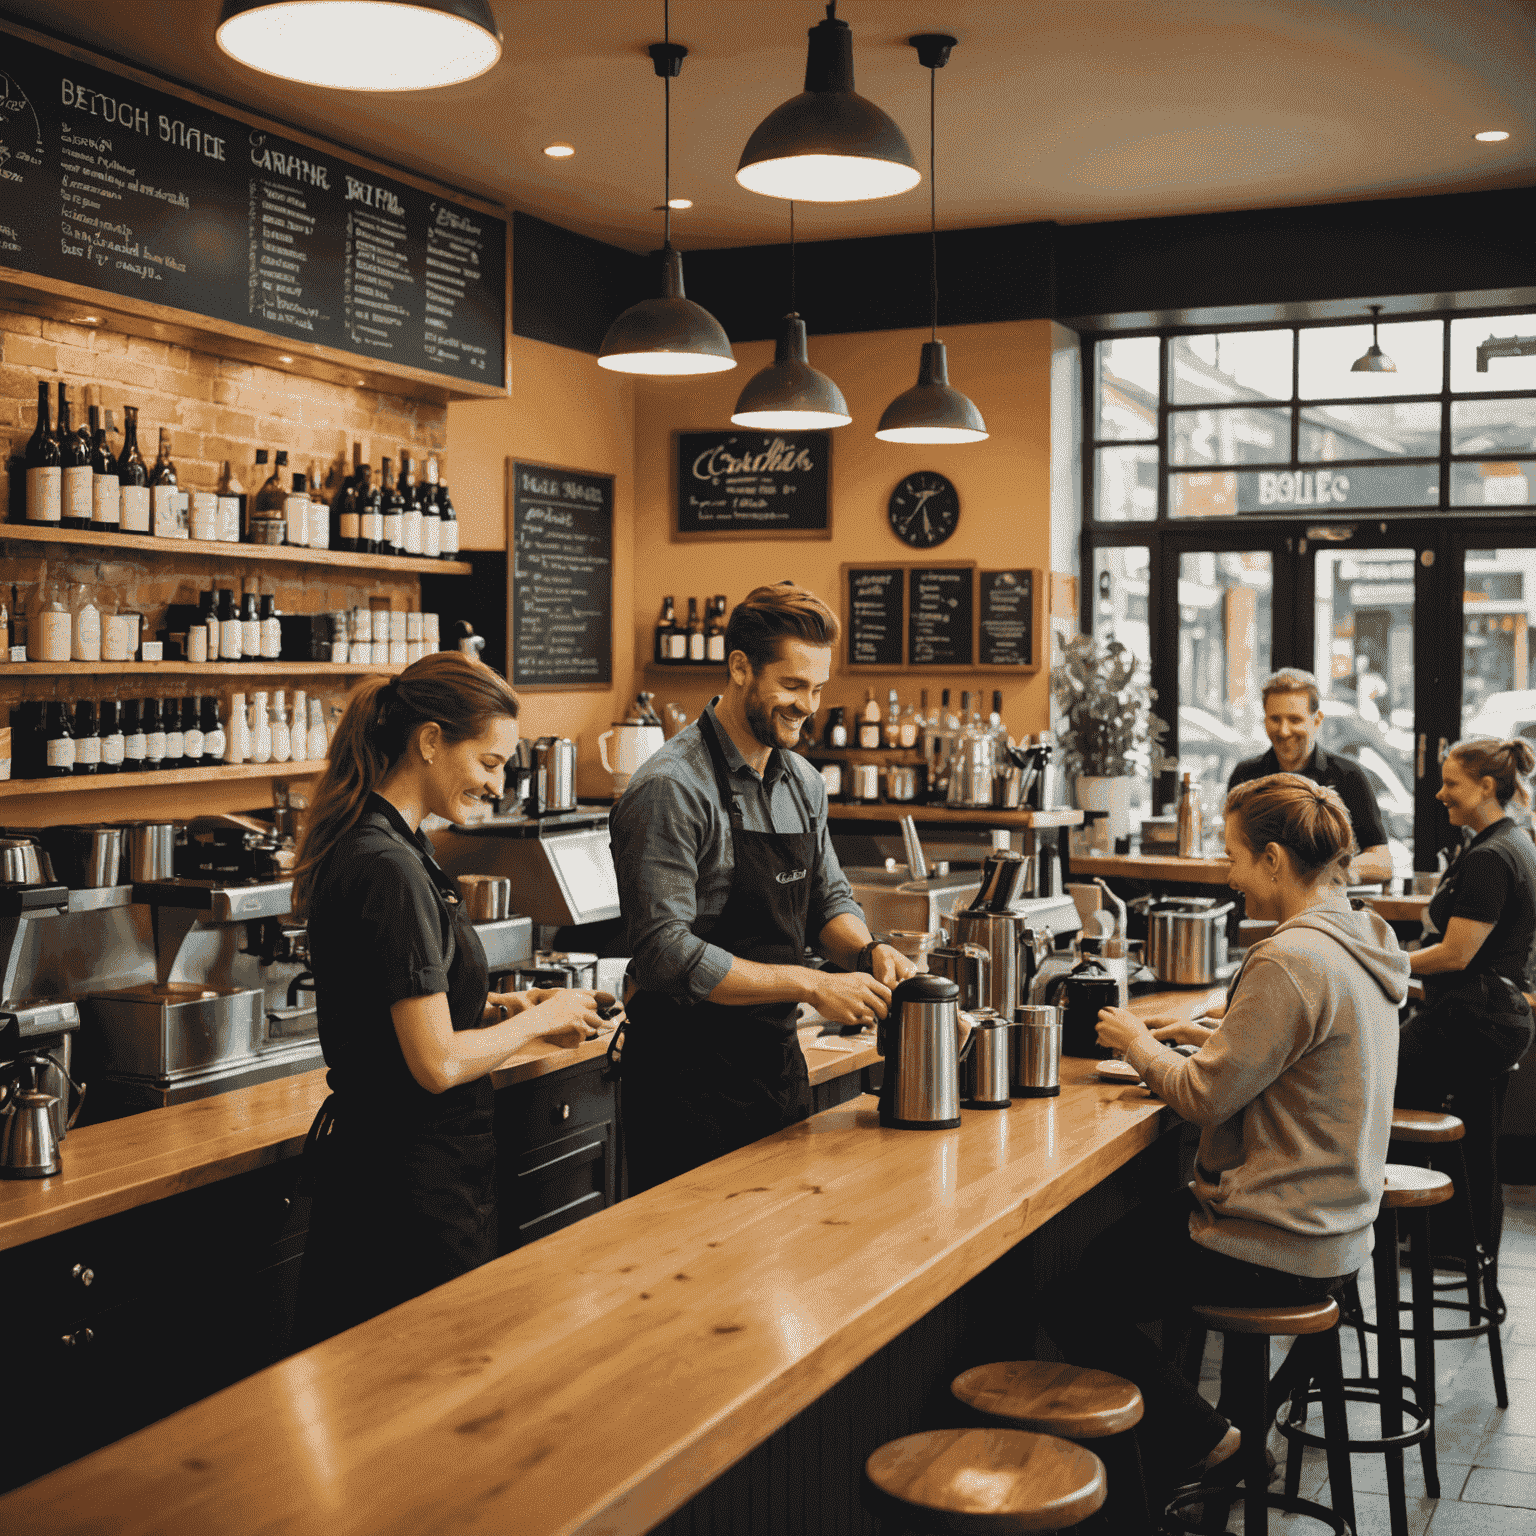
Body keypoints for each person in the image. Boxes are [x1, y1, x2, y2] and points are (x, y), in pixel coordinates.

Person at [1046, 774, 1407, 1493]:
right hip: (1340, 1228)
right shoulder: (1360, 936)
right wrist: (1212, 1031)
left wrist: (1134, 1041)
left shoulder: (1287, 958)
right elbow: (1300, 1049)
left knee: (1074, 1297)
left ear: (1274, 859)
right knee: (1124, 1258)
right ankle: (1187, 1443)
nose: (1228, 874)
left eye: (1233, 855)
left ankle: (1212, 1445)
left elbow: (1201, 1097)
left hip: (1272, 1238)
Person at [292, 653, 608, 1344]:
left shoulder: (388, 845)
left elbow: (399, 1006)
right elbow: (433, 1062)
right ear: (430, 741)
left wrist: (500, 1009)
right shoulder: (388, 868)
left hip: (401, 1181)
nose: (498, 785)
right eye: (490, 762)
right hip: (404, 1199)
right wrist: (547, 1018)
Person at [610, 582, 919, 1194]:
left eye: (819, 688)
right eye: (793, 686)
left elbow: (827, 902)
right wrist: (811, 983)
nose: (809, 705)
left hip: (775, 1068)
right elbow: (664, 952)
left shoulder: (802, 782)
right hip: (684, 1085)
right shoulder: (672, 788)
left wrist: (867, 952)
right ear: (741, 669)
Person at [1400, 736, 1536, 1255]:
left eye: (1451, 784)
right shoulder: (1511, 840)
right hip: (1494, 1016)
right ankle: (1453, 1239)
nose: (1440, 794)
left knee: (1367, 1082)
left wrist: (1381, 962)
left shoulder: (1492, 856)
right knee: (1475, 1136)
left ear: (1485, 787)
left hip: (1476, 1018)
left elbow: (1457, 955)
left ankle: (1385, 1228)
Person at [1227, 668, 1393, 885]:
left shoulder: (1348, 777)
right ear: (1264, 719)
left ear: (1317, 720)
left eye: (1295, 719)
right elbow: (1233, 851)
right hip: (1255, 910)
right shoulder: (1246, 776)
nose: (1284, 731)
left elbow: (1382, 861)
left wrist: (1328, 873)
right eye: (1275, 719)